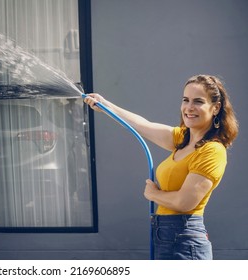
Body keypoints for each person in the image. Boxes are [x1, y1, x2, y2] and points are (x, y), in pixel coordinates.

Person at [83, 74, 239, 260]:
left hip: (185, 240)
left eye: (198, 101)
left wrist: (153, 194)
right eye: (185, 100)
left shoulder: (212, 150)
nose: (189, 107)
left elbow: (185, 202)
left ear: (216, 108)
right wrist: (106, 105)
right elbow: (142, 125)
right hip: (165, 235)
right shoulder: (183, 139)